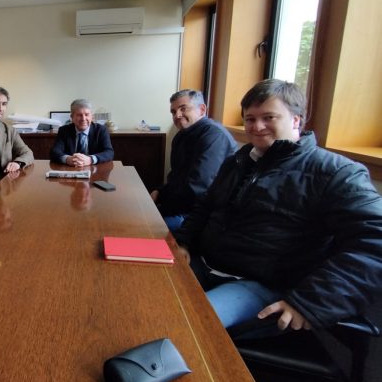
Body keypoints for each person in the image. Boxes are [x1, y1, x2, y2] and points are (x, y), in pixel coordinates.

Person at [173, 79, 382, 332]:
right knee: (142, 290)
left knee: (183, 325)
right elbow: (206, 206)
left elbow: (375, 242)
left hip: (259, 284)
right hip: (205, 264)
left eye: (269, 117)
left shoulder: (337, 173)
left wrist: (310, 302)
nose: (257, 126)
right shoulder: (238, 161)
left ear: (296, 120)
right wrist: (184, 242)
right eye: (250, 119)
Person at [150, 89, 237, 231]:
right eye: (173, 112)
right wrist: (160, 192)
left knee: (146, 228)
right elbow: (177, 176)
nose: (177, 115)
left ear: (202, 109)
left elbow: (199, 186)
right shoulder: (181, 136)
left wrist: (162, 207)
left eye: (183, 109)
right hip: (181, 206)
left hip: (200, 213)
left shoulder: (214, 135)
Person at [50, 99, 114, 166]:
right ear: (72, 117)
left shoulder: (101, 130)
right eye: (79, 115)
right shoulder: (64, 130)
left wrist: (90, 159)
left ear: (92, 116)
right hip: (71, 168)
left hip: (94, 169)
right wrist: (68, 159)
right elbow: (54, 152)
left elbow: (109, 152)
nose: (83, 119)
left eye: (87, 114)